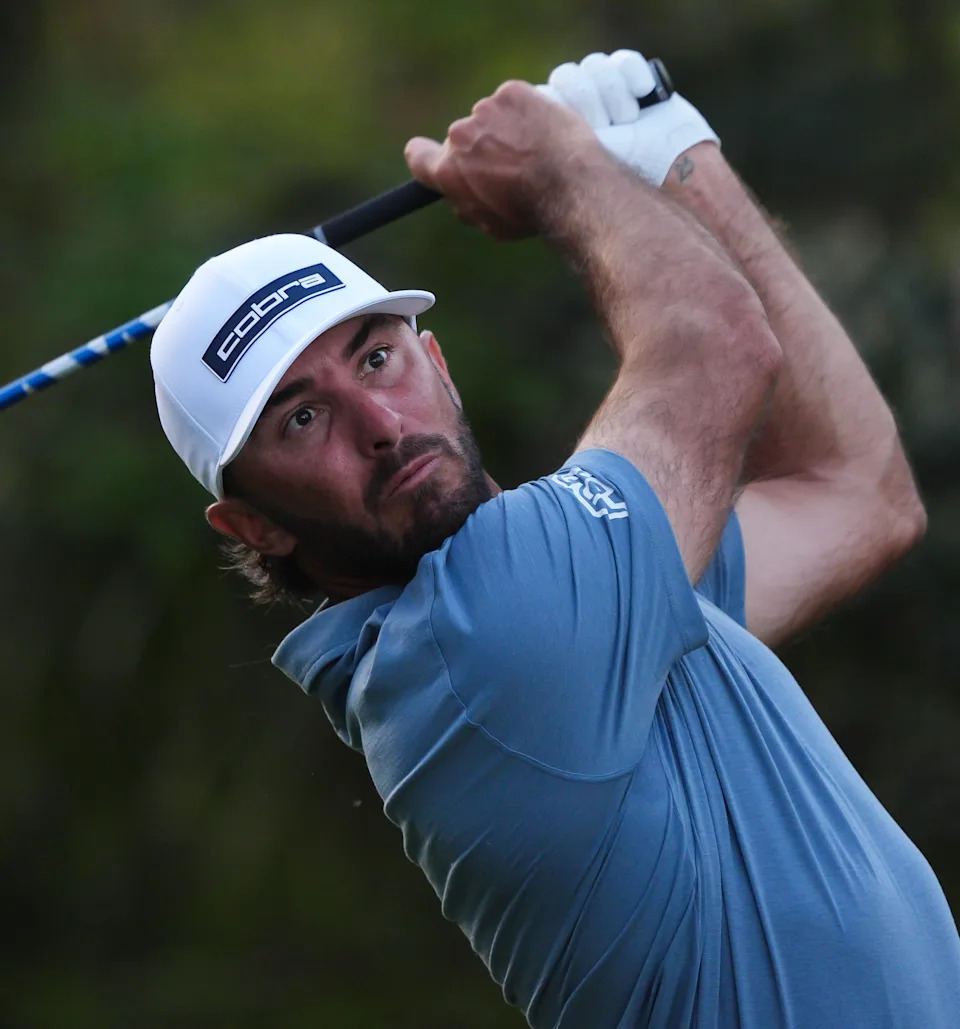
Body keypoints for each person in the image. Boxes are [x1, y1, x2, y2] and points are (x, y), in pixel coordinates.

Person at [150, 50, 960, 1029]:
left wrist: (673, 160)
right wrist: (561, 169)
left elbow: (858, 491)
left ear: (436, 363)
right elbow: (714, 347)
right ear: (254, 525)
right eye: (301, 420)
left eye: (376, 357)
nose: (380, 422)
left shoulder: (603, 596)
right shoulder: (477, 640)